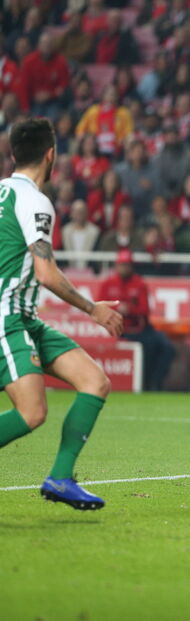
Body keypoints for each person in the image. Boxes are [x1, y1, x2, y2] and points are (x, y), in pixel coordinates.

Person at [0, 118, 123, 510]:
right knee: (32, 411)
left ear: (14, 153)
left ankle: (60, 478)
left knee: (94, 381)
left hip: (25, 317)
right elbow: (46, 272)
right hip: (7, 317)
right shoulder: (35, 201)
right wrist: (93, 309)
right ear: (51, 155)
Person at [98, 249, 175, 392]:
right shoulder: (108, 284)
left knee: (167, 348)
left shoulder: (139, 284)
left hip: (139, 329)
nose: (124, 268)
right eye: (122, 264)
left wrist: (129, 310)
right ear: (116, 265)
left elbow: (145, 310)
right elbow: (98, 307)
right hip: (117, 330)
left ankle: (154, 383)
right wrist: (118, 310)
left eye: (127, 265)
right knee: (146, 347)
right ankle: (144, 383)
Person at [61, 199, 100, 269]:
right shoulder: (65, 231)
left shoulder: (94, 231)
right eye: (76, 211)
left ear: (86, 213)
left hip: (88, 272)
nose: (79, 214)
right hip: (69, 271)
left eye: (82, 211)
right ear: (71, 214)